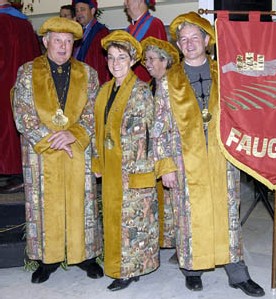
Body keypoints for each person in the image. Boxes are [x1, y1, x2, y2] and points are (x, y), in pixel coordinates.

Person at [164, 12, 265, 297]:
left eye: (195, 37)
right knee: (188, 215)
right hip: (185, 160)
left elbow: (243, 113)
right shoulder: (168, 80)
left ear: (207, 40)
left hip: (223, 158)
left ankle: (237, 273)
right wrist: (166, 165)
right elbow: (159, 126)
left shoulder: (226, 73)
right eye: (183, 39)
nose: (189, 43)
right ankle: (192, 269)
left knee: (228, 216)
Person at [11, 16, 103, 284]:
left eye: (68, 42)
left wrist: (72, 135)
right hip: (41, 151)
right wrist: (51, 138)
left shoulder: (88, 73)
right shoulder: (27, 72)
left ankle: (84, 255)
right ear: (45, 41)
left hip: (77, 149)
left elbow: (93, 111)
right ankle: (47, 258)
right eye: (57, 41)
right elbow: (22, 112)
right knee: (44, 204)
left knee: (81, 202)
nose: (63, 47)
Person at [93, 30, 159, 291]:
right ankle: (123, 266)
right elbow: (96, 130)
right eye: (111, 57)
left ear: (132, 60)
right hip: (110, 168)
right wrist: (98, 163)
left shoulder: (141, 91)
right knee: (115, 220)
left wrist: (147, 169)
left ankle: (129, 271)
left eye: (122, 57)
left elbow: (153, 133)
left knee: (134, 224)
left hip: (134, 169)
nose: (115, 63)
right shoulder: (103, 91)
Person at [141, 37, 180, 259]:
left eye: (152, 59)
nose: (147, 63)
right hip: (152, 153)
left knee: (174, 202)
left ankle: (179, 243)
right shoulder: (149, 86)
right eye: (146, 59)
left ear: (165, 61)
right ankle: (164, 240)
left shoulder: (175, 86)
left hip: (171, 153)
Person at [0, 0, 40, 194]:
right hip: (25, 87)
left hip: (4, 83)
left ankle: (10, 171)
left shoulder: (2, 20)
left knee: (6, 128)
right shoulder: (25, 23)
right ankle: (19, 173)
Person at [124, 0, 167, 82]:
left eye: (127, 0)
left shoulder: (154, 24)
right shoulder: (128, 30)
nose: (125, 3)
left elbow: (161, 62)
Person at [73, 0, 110, 84]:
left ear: (92, 11)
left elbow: (102, 64)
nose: (79, 14)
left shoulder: (101, 32)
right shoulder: (78, 33)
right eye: (77, 11)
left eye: (82, 9)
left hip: (94, 84)